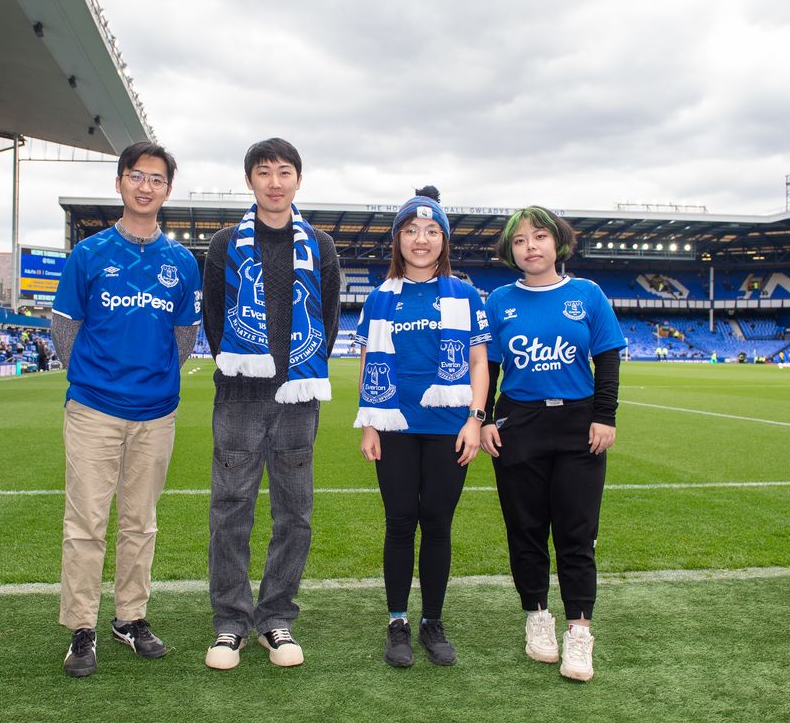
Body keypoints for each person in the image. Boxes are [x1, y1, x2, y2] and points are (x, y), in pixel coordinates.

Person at [49, 141, 202, 678]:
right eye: (136, 176)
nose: (145, 186)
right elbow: (63, 329)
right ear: (120, 183)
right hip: (93, 408)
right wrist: (97, 379)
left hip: (156, 412)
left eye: (156, 179)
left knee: (141, 521)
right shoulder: (88, 255)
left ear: (166, 190)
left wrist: (151, 380)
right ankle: (82, 627)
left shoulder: (182, 262)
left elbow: (185, 335)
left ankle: (130, 617)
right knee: (86, 521)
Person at [201, 137, 340, 670]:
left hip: (298, 395)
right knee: (230, 510)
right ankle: (230, 623)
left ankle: (276, 617)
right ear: (250, 181)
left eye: (285, 171)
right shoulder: (222, 244)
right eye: (264, 172)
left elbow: (326, 320)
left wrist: (295, 370)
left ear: (298, 180)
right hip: (240, 395)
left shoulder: (320, 246)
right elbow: (215, 320)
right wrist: (248, 368)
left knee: (294, 514)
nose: (275, 181)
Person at [479, 206, 627, 683]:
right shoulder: (499, 300)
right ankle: (537, 618)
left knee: (576, 535)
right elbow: (491, 368)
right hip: (518, 423)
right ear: (510, 251)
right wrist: (483, 419)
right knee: (525, 531)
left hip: (579, 424)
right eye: (520, 241)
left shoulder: (587, 294)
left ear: (558, 243)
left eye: (539, 237)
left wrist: (605, 416)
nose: (530, 247)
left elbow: (607, 361)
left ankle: (580, 632)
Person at [355, 187, 490, 668]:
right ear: (398, 239)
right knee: (398, 523)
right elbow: (369, 361)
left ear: (444, 241)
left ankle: (432, 620)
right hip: (393, 424)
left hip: (448, 426)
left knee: (436, 523)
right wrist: (369, 424)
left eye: (432, 231)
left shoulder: (465, 294)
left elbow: (478, 362)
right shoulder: (379, 298)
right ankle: (397, 622)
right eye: (411, 230)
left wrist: (476, 420)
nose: (421, 239)